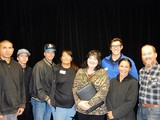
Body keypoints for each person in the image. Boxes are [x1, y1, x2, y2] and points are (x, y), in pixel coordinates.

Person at [73, 50, 109, 120]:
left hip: (97, 111)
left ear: (98, 61)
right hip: (81, 109)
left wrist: (89, 104)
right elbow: (74, 88)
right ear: (87, 59)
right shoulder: (80, 71)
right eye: (90, 58)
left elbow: (104, 91)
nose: (92, 61)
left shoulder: (103, 73)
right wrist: (78, 102)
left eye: (95, 59)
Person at [0, 40, 26, 120]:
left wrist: (22, 104)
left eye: (10, 48)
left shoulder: (17, 66)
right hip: (2, 110)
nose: (7, 50)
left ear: (13, 50)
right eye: (4, 48)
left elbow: (22, 86)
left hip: (14, 109)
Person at [30, 43, 56, 120]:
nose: (50, 54)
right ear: (44, 53)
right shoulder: (39, 66)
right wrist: (47, 98)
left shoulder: (54, 66)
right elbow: (37, 86)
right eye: (48, 52)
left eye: (52, 52)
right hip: (39, 100)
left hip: (49, 100)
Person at [51, 49, 78, 120]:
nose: (66, 58)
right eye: (64, 56)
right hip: (58, 106)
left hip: (72, 106)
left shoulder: (76, 70)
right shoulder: (55, 69)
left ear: (71, 58)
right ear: (61, 58)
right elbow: (50, 86)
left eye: (68, 56)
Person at [137, 44, 160, 120]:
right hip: (141, 109)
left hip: (155, 111)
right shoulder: (141, 71)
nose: (147, 57)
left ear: (155, 55)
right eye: (144, 54)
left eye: (149, 53)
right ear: (141, 57)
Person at [16, 49, 33, 120]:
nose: (24, 58)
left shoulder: (30, 70)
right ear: (17, 58)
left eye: (26, 56)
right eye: (21, 56)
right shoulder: (12, 70)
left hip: (27, 102)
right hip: (15, 102)